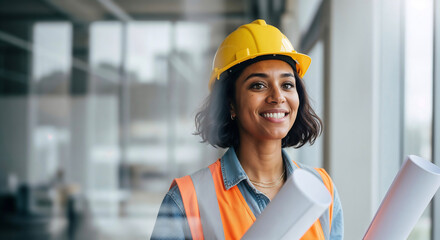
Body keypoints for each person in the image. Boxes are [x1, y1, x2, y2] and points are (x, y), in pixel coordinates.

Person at [151, 19, 343, 240]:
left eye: (287, 84)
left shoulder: (322, 189)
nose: (278, 97)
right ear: (230, 103)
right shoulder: (186, 200)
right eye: (258, 85)